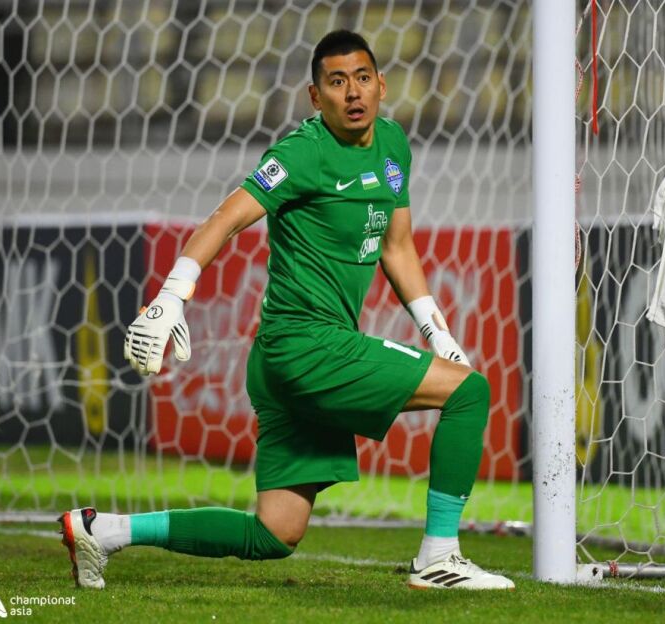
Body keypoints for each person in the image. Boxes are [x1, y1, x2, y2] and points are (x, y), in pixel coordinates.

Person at [58, 30, 514, 591]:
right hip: (306, 346)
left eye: (362, 78)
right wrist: (171, 296)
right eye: (337, 82)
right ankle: (439, 556)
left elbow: (396, 246)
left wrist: (437, 334)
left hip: (287, 357)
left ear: (381, 85)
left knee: (275, 533)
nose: (353, 92)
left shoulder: (393, 145)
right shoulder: (302, 152)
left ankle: (102, 531)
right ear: (315, 96)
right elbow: (226, 218)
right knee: (469, 393)